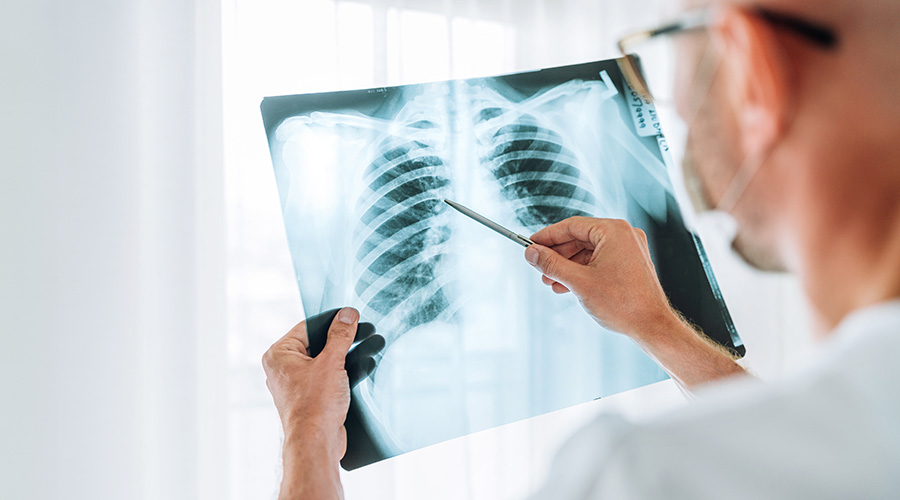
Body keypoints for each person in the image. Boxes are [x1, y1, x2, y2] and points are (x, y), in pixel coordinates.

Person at [262, 0, 900, 497]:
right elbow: (797, 454)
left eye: (667, 41)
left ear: (754, 71)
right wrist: (654, 324)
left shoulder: (645, 475)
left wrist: (307, 438)